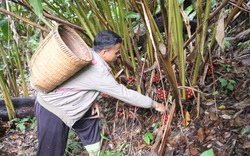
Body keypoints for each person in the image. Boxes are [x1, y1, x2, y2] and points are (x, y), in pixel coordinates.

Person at [34, 30, 166, 156]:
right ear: (104, 52)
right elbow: (125, 94)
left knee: (90, 119)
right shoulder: (99, 72)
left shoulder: (88, 54)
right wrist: (154, 104)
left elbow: (81, 82)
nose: (118, 55)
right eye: (116, 52)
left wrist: (93, 100)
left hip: (66, 103)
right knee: (51, 152)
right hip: (52, 109)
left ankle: (95, 152)